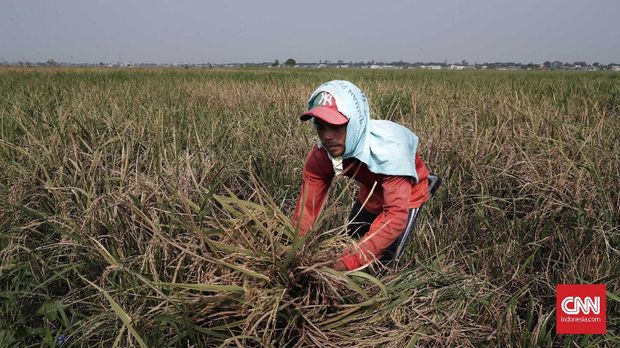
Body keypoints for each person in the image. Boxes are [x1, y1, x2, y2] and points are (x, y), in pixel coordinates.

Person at [292, 80, 439, 271]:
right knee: (352, 238)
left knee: (382, 262)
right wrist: (297, 253)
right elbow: (307, 210)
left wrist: (347, 263)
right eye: (320, 126)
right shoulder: (321, 157)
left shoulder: (390, 151)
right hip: (373, 187)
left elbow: (394, 218)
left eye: (335, 126)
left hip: (407, 191)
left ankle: (426, 182)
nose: (327, 136)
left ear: (354, 123)